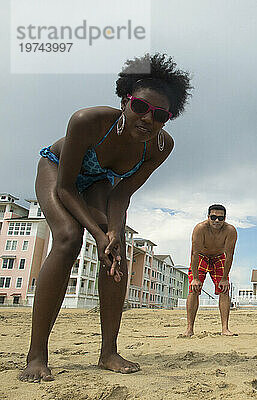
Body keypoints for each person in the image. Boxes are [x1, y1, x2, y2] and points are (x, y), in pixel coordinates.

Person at [19, 54, 192, 382]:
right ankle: (36, 355)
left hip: (102, 183)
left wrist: (112, 233)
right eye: (140, 107)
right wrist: (97, 234)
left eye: (159, 115)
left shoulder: (159, 146)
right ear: (125, 100)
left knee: (116, 252)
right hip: (58, 171)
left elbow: (121, 194)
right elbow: (67, 188)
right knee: (69, 238)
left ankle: (108, 352)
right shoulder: (88, 121)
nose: (147, 119)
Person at [184, 204, 238, 337]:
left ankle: (225, 328)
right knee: (193, 289)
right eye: (213, 217)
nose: (217, 221)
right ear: (208, 217)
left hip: (219, 257)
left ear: (225, 218)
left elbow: (230, 255)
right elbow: (195, 253)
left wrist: (224, 278)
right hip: (201, 256)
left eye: (221, 218)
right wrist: (195, 278)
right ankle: (189, 328)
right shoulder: (200, 228)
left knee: (224, 290)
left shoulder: (230, 230)